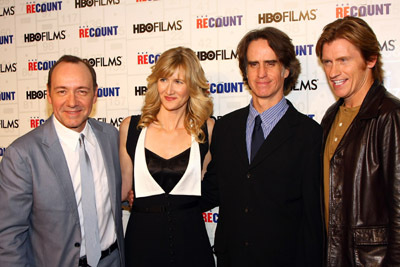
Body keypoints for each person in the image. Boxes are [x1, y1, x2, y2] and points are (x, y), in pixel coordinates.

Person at [200, 27, 324, 266]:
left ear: (286, 69)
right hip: (231, 259)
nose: (261, 73)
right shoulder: (226, 128)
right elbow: (213, 189)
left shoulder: (309, 135)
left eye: (271, 63)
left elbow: (313, 218)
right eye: (253, 64)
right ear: (245, 71)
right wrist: (154, 198)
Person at [0, 55, 125, 267]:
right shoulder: (22, 155)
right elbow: (9, 236)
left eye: (82, 91)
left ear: (95, 94)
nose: (72, 102)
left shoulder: (110, 137)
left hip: (113, 260)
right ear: (48, 94)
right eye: (62, 91)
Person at [120, 46, 215, 267]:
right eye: (164, 79)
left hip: (191, 243)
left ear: (192, 86)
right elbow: (123, 189)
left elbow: (215, 185)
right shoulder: (131, 128)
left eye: (179, 82)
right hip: (142, 244)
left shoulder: (207, 130)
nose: (169, 90)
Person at [316, 16, 400, 266]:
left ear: (370, 59)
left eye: (343, 60)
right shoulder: (331, 116)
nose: (333, 72)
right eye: (328, 62)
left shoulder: (390, 115)